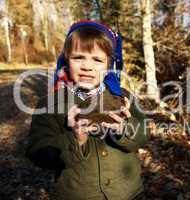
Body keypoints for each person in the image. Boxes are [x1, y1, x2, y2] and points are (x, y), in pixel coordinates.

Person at [26, 20, 150, 200]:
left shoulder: (123, 97)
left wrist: (125, 128)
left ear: (109, 65)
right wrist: (76, 140)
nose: (87, 66)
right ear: (66, 59)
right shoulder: (51, 104)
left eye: (97, 60)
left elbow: (144, 133)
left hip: (128, 193)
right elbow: (37, 151)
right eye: (79, 57)